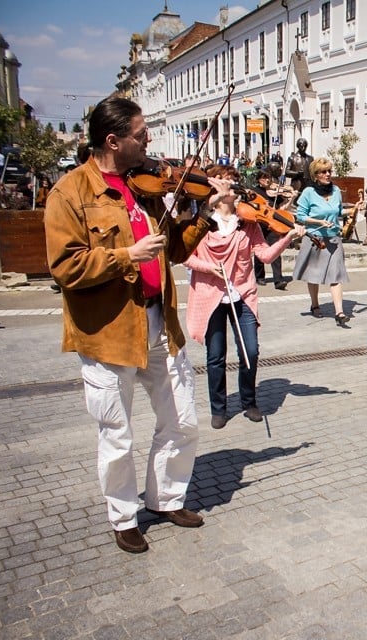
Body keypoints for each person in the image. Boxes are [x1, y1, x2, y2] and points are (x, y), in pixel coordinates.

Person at [44, 96, 220, 554]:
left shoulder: (144, 188)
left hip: (159, 322)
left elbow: (176, 252)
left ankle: (165, 499)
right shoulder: (71, 193)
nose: (149, 143)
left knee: (182, 421)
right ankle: (123, 517)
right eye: (141, 135)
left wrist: (199, 214)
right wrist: (126, 256)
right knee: (117, 433)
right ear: (112, 140)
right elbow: (65, 266)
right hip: (109, 332)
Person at [184, 165, 305, 429]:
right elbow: (185, 256)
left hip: (242, 293)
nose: (234, 188)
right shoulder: (202, 222)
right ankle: (219, 408)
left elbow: (264, 256)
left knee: (250, 351)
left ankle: (249, 401)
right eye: (227, 182)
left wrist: (289, 237)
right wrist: (209, 268)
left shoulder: (247, 224)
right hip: (211, 295)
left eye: (235, 182)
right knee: (216, 356)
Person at [292, 157, 349, 324]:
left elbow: (338, 212)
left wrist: (353, 209)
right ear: (315, 175)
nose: (328, 174)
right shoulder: (308, 192)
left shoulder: (336, 190)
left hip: (333, 238)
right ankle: (315, 305)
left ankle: (339, 312)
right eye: (324, 172)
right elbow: (300, 216)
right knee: (314, 275)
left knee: (336, 275)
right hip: (315, 238)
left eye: (329, 171)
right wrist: (318, 222)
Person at [250, 171, 288, 289]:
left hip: (272, 224)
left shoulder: (274, 193)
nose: (267, 180)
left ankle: (278, 280)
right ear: (258, 180)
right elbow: (250, 204)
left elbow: (281, 207)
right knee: (259, 250)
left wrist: (291, 198)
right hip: (260, 223)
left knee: (275, 250)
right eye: (264, 178)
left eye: (268, 178)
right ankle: (259, 276)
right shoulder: (255, 191)